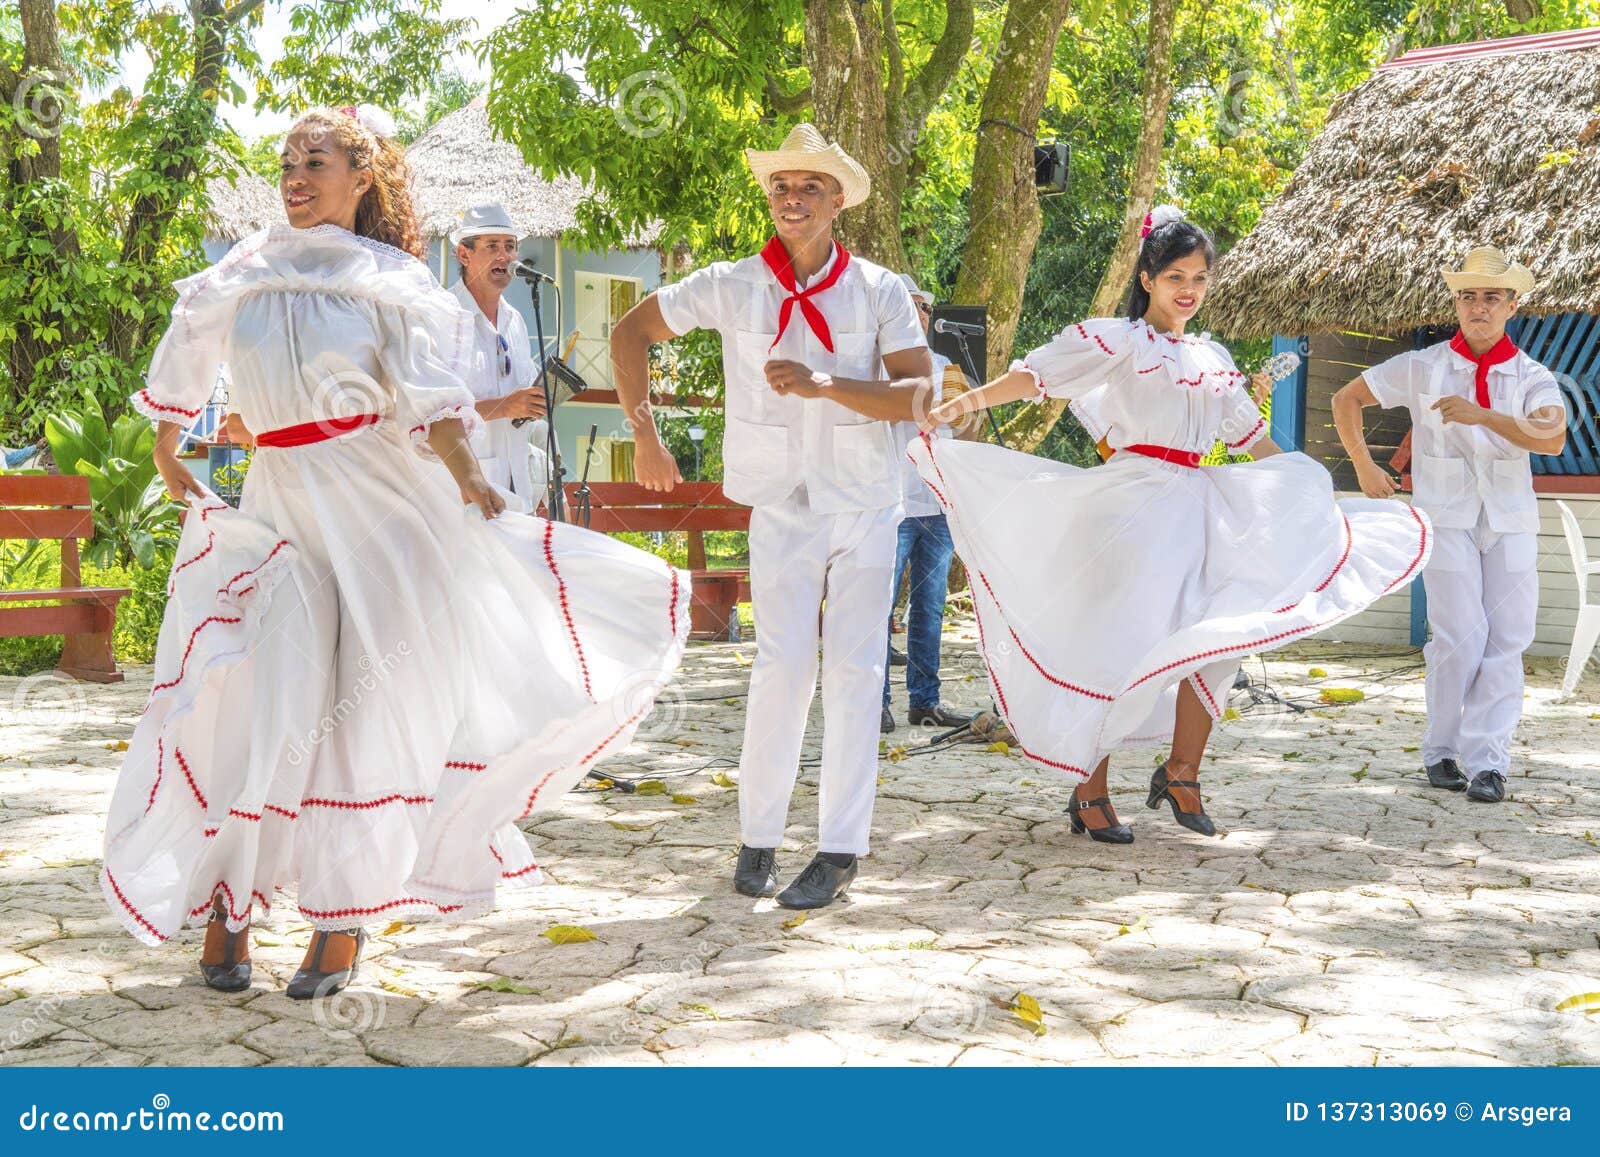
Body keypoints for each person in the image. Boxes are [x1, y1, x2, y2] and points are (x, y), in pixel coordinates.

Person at [102, 104, 688, 999]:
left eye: (319, 160)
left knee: (366, 709)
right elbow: (190, 337)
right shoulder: (248, 270)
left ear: (362, 177)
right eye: (288, 160)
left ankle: (342, 922)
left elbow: (429, 400)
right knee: (260, 693)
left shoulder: (391, 280)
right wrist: (166, 441)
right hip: (279, 502)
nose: (296, 176)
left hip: (379, 506)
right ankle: (230, 902)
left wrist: (467, 476)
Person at [914, 206, 1431, 844]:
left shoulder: (1210, 355)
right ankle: (1090, 790)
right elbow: (1035, 378)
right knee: (1110, 644)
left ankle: (1183, 773)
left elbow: (1248, 436)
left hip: (1198, 507)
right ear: (1149, 278)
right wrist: (959, 404)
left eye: (1200, 277)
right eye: (1175, 275)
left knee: (1217, 639)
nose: (1189, 289)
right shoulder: (1120, 340)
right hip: (1130, 505)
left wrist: (1306, 488)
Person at [609, 123, 933, 909]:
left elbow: (920, 397)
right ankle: (758, 835)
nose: (793, 197)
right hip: (780, 505)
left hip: (862, 502)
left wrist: (828, 384)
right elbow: (630, 332)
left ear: (837, 203)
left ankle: (840, 847)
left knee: (854, 673)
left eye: (809, 187)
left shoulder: (880, 290)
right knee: (780, 667)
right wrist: (644, 434)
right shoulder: (731, 282)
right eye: (782, 186)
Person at [1333, 246, 1566, 804]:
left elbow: (1552, 438)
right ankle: (1441, 748)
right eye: (1468, 296)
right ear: (1456, 304)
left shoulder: (1532, 376)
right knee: (1462, 636)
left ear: (1512, 304)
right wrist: (1364, 465)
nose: (1478, 307)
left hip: (1509, 520)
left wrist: (1483, 415)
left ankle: (1490, 763)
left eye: (1490, 297)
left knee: (1506, 641)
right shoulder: (1423, 365)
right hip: (1445, 518)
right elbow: (1347, 399)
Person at [881, 274, 976, 733]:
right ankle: (873, 702)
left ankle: (925, 701)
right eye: (906, 306)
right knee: (877, 606)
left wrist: (968, 411)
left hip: (936, 504)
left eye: (920, 307)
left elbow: (968, 431)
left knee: (930, 606)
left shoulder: (948, 367)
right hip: (888, 503)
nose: (916, 314)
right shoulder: (873, 369)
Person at [448, 202, 552, 513]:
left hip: (518, 491)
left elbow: (522, 398)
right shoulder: (444, 315)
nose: (504, 256)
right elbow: (435, 414)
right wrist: (505, 406)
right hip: (464, 495)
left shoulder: (516, 321)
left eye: (510, 246)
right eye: (491, 246)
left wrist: (535, 403)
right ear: (464, 255)